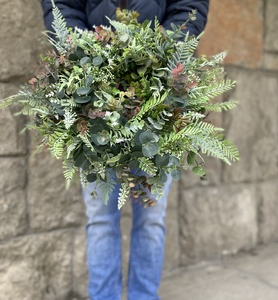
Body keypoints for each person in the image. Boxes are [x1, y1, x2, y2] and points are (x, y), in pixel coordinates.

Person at [40, 1, 209, 300]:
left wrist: (157, 51)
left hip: (161, 94)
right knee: (101, 218)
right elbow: (61, 6)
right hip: (92, 97)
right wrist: (88, 52)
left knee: (152, 219)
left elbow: (190, 7)